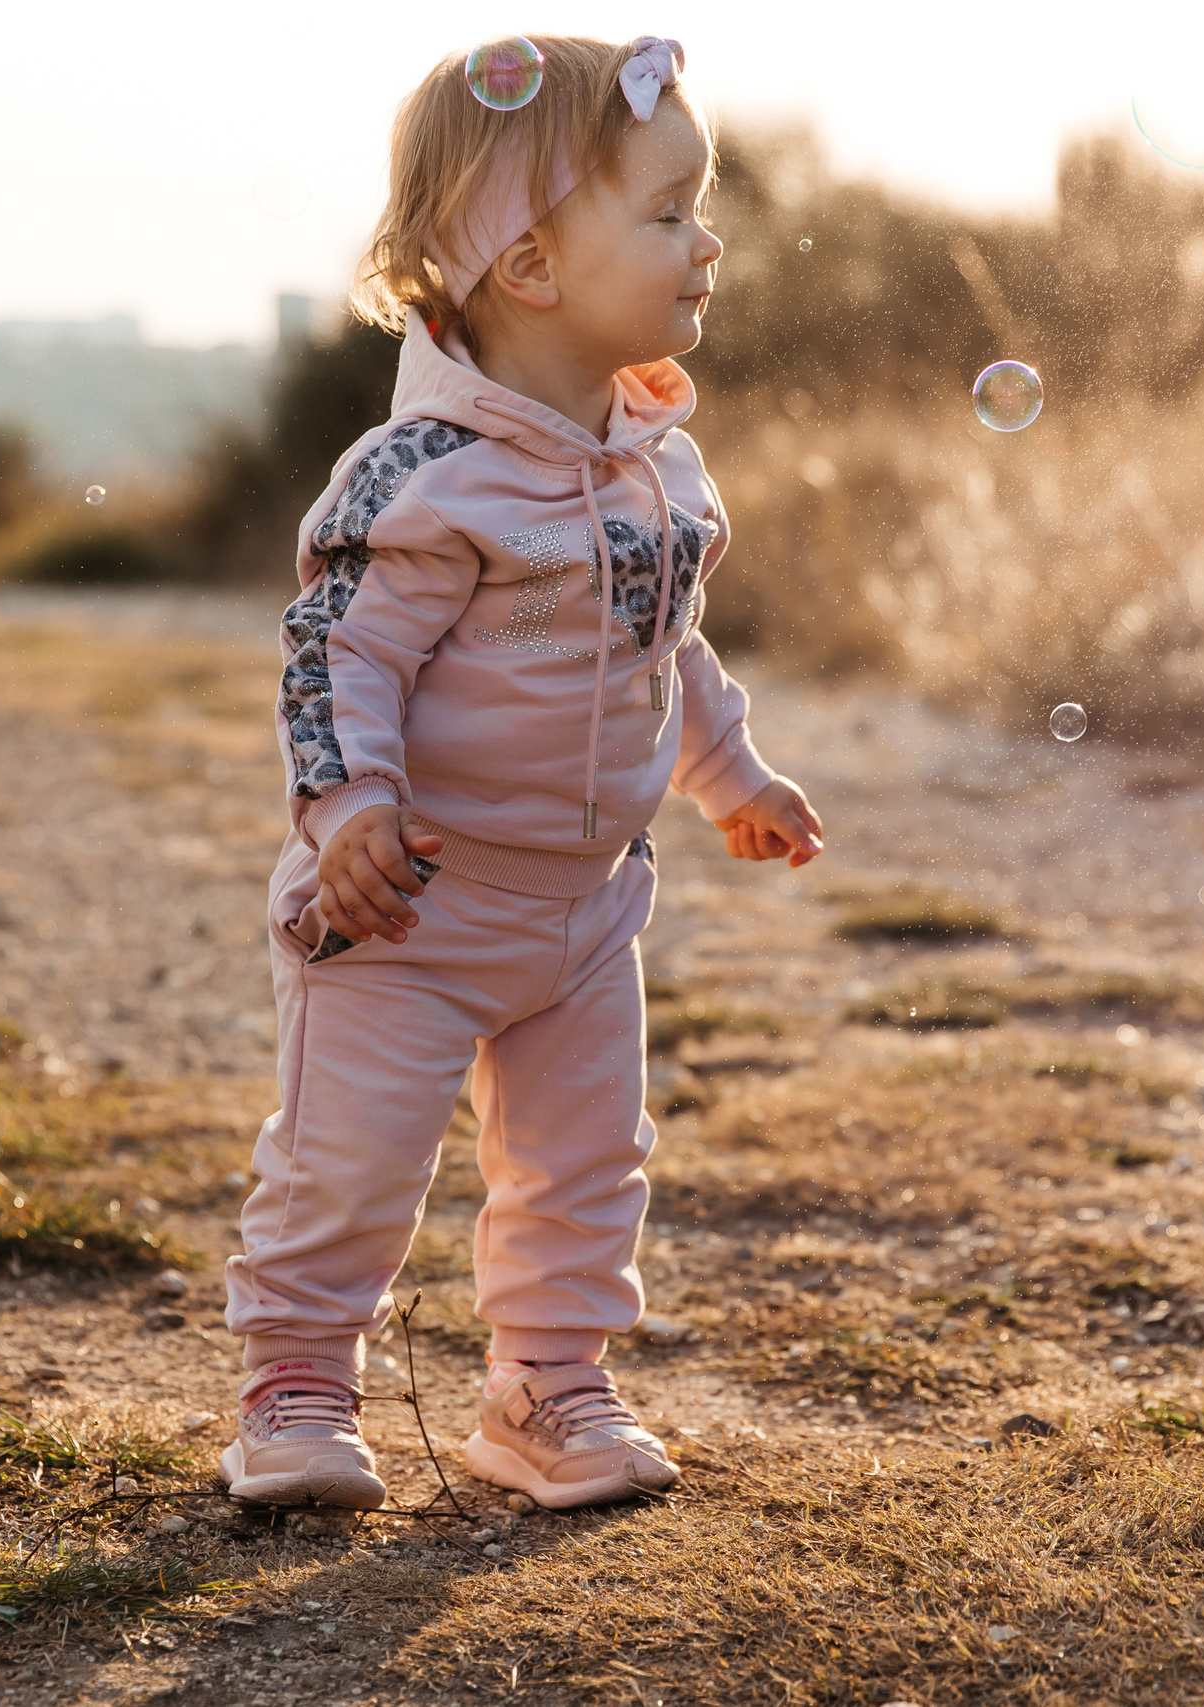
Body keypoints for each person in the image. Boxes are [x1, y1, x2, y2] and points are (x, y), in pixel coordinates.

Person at [220, 33, 824, 1513]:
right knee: (350, 1161)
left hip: (586, 909)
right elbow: (339, 656)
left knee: (585, 1161)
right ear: (533, 265)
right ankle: (298, 1385)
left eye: (700, 208)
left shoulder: (657, 464)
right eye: (668, 212)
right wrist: (350, 808)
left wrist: (732, 772)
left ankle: (545, 1389)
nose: (707, 241)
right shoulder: (426, 474)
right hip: (408, 904)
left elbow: (662, 644)